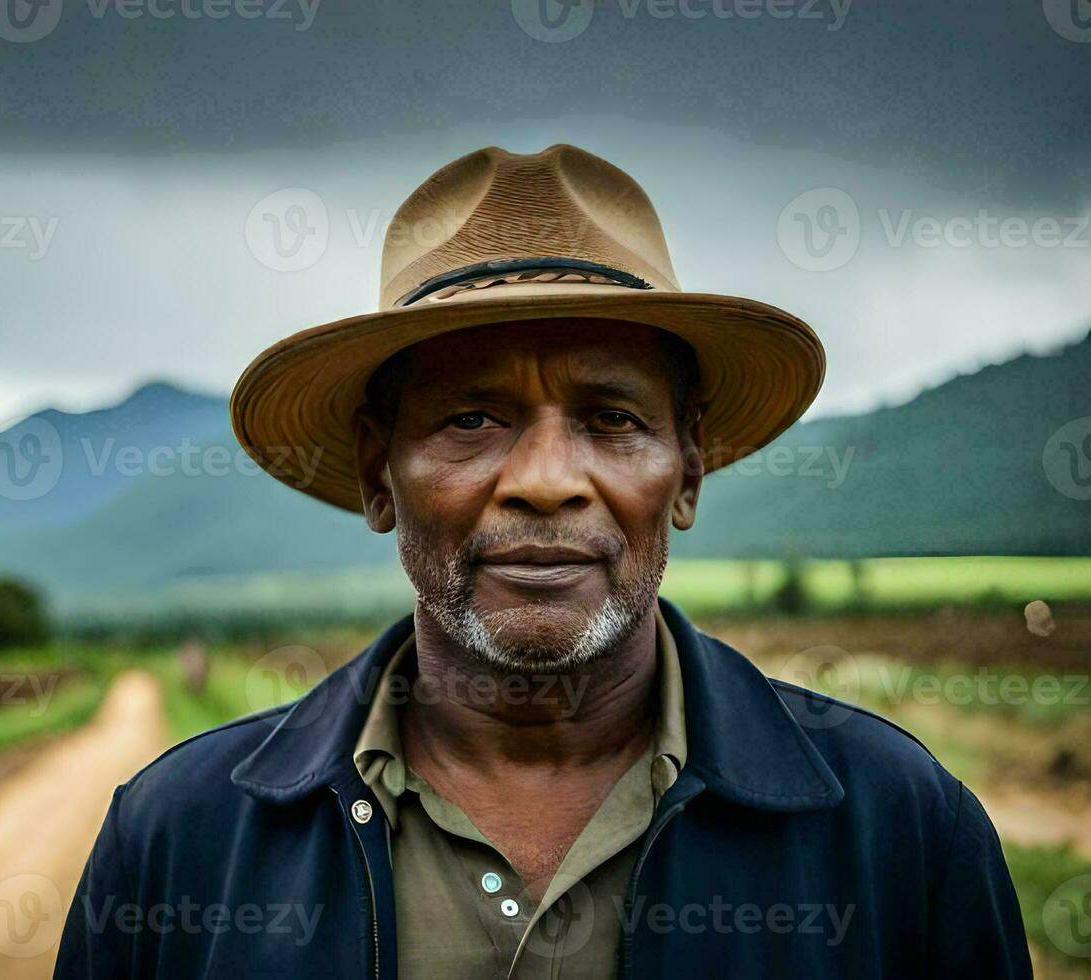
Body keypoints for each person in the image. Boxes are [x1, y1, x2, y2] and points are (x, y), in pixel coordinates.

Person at [54, 144, 1031, 978]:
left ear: (686, 472)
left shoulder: (898, 827)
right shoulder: (181, 842)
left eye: (613, 419)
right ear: (375, 470)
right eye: (471, 417)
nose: (546, 481)